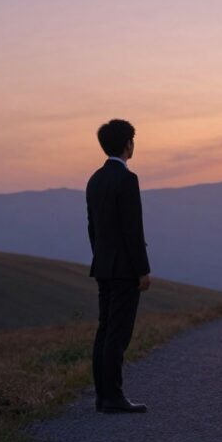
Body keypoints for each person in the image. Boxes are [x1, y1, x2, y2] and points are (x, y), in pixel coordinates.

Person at [86, 118, 151, 414]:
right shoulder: (127, 179)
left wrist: (100, 258)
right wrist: (142, 269)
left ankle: (102, 396)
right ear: (128, 144)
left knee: (104, 330)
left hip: (103, 266)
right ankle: (113, 396)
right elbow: (132, 229)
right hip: (125, 269)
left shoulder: (95, 179)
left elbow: (93, 227)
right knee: (118, 333)